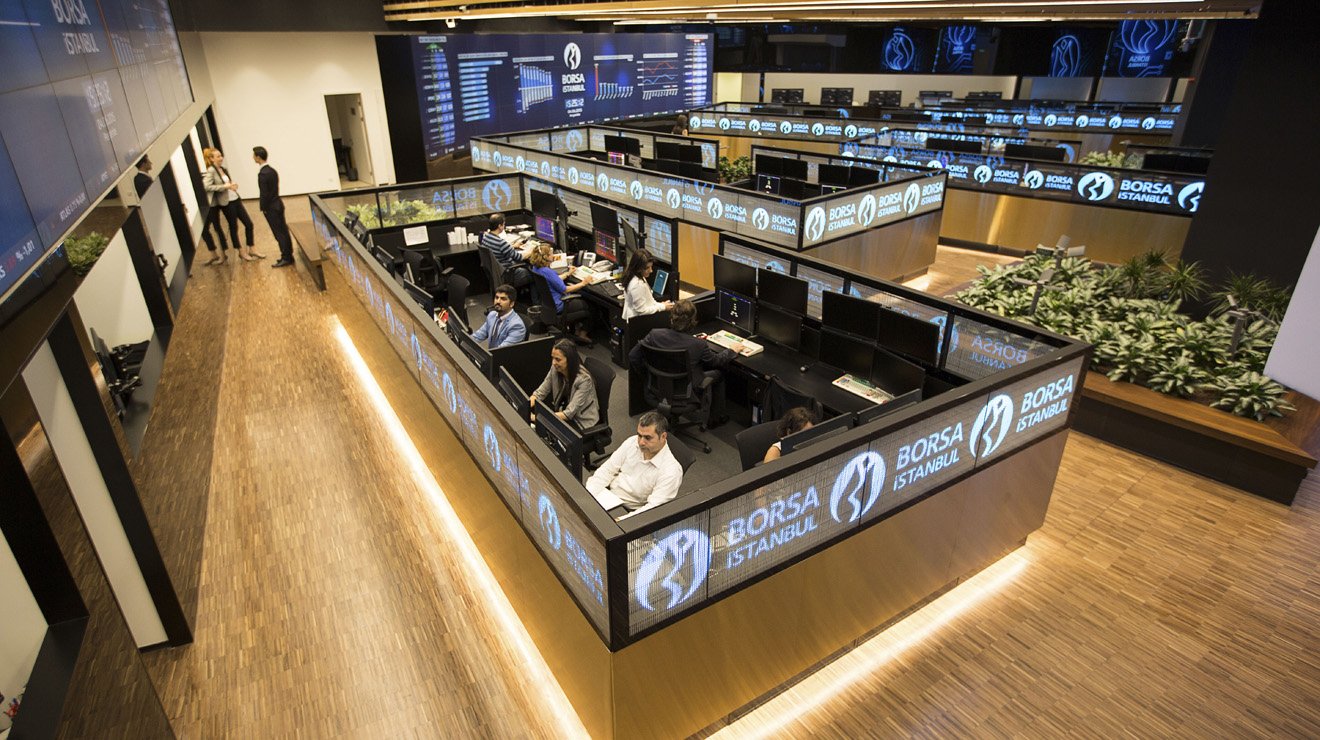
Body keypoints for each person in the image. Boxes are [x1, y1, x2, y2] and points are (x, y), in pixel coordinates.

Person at [629, 299, 734, 424]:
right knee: (719, 373)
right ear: (693, 322)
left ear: (672, 319)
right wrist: (732, 351)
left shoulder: (654, 335)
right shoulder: (698, 344)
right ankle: (716, 419)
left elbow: (633, 356)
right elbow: (716, 361)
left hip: (657, 387)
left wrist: (648, 376)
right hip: (685, 394)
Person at [586, 412, 683, 516]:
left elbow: (652, 508)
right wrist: (588, 496)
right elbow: (607, 470)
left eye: (647, 438)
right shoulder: (632, 442)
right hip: (607, 496)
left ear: (663, 437)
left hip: (628, 511)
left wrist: (621, 520)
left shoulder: (671, 471)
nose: (641, 442)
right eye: (639, 435)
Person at [203, 148, 265, 262]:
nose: (221, 158)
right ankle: (241, 251)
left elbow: (228, 183)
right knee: (233, 227)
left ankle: (252, 248)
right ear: (211, 159)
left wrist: (232, 185)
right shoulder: (211, 171)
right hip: (227, 203)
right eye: (218, 156)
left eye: (221, 156)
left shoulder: (223, 169)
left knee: (249, 224)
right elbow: (206, 186)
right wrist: (224, 187)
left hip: (235, 199)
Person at [528, 243, 594, 344]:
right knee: (591, 305)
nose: (553, 256)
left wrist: (568, 273)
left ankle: (576, 328)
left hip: (549, 305)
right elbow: (565, 290)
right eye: (551, 254)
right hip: (560, 304)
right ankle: (582, 333)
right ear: (546, 257)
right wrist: (583, 283)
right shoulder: (548, 271)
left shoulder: (536, 268)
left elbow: (554, 280)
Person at [530, 339, 599, 430]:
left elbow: (569, 413)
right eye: (553, 358)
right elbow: (540, 393)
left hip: (580, 421)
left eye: (558, 359)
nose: (553, 363)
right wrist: (526, 406)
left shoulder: (584, 380)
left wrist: (535, 417)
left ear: (570, 360)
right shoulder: (555, 369)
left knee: (543, 430)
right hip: (563, 410)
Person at [253, 146, 294, 268]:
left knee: (279, 233)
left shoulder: (263, 174)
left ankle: (286, 257)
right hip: (278, 204)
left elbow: (264, 193)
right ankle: (288, 255)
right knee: (283, 231)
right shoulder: (272, 171)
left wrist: (263, 207)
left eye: (254, 155)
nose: (253, 157)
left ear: (258, 157)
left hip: (271, 207)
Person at [480, 213, 532, 290]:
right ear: (499, 226)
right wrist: (531, 250)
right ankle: (534, 298)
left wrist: (512, 246)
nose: (504, 226)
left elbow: (499, 248)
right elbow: (519, 257)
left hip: (497, 273)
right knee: (534, 275)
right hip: (507, 274)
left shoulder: (486, 237)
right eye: (503, 224)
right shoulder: (501, 243)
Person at [620, 250, 673, 321]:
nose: (651, 271)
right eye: (647, 268)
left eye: (651, 267)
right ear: (638, 268)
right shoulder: (637, 285)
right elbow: (642, 310)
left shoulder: (635, 276)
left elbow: (649, 302)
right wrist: (663, 307)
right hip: (638, 322)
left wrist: (661, 305)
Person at [471, 283, 526, 349]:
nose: (498, 301)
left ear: (511, 304)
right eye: (497, 297)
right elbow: (478, 336)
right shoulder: (492, 315)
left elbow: (501, 351)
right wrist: (466, 342)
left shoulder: (517, 326)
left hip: (503, 355)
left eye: (503, 299)